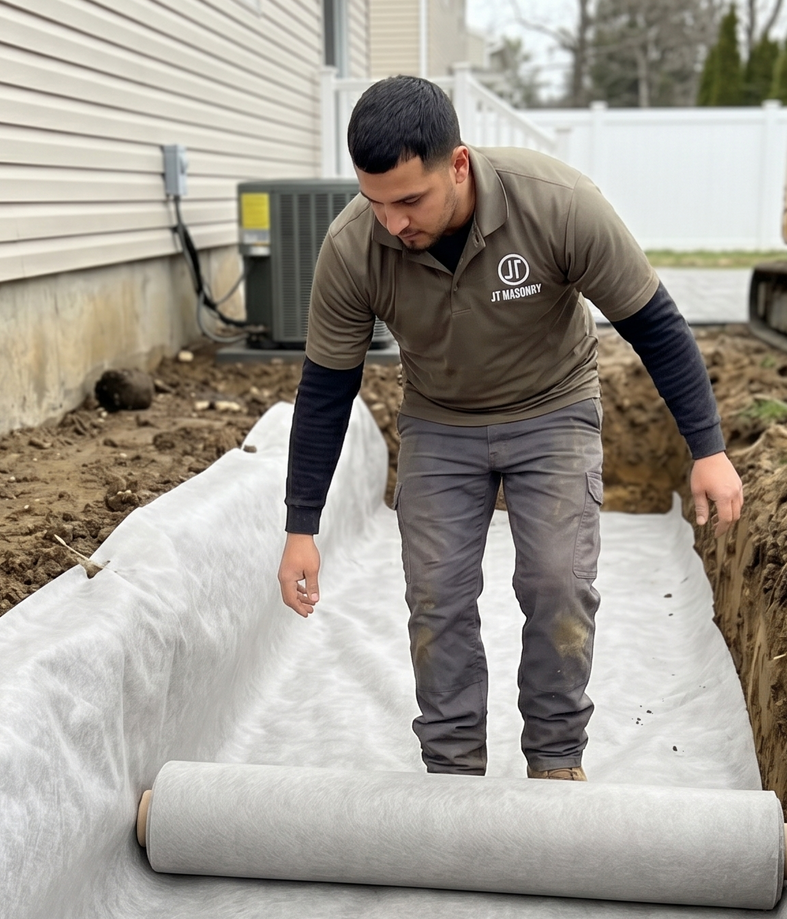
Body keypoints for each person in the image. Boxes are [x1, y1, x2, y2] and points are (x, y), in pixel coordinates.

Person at [276, 76, 742, 781]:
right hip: (440, 422)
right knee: (435, 595)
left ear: (457, 165)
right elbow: (325, 390)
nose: (393, 221)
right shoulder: (352, 249)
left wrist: (707, 448)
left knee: (558, 582)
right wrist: (301, 524)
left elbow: (655, 324)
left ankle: (555, 757)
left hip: (552, 410)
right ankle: (454, 765)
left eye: (410, 200)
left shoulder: (556, 205)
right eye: (376, 202)